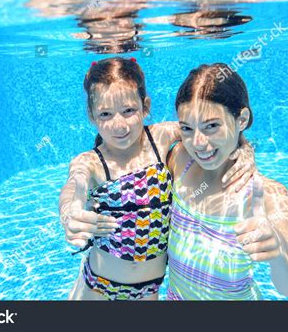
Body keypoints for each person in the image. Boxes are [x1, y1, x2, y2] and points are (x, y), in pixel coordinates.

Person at [59, 57, 255, 300]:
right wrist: (70, 211)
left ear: (146, 106)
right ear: (91, 116)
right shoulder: (92, 161)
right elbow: (75, 185)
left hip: (149, 289)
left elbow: (209, 131)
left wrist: (243, 147)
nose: (119, 125)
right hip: (99, 287)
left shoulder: (160, 139)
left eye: (129, 110)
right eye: (106, 114)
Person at [166, 63, 288, 300]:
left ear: (242, 119)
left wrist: (278, 250)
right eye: (187, 128)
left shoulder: (267, 194)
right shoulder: (180, 159)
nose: (198, 143)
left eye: (212, 126)